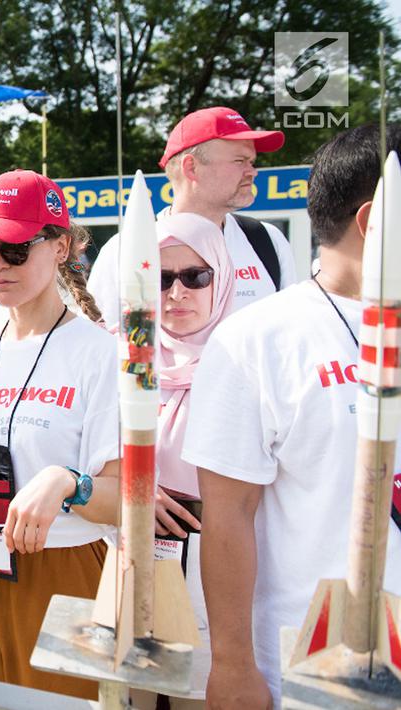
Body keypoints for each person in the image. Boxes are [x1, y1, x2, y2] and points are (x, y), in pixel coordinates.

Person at [184, 123, 401, 709]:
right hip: (318, 666)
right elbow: (228, 513)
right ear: (374, 221)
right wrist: (232, 665)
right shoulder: (258, 340)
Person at [0, 169, 120, 699]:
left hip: (61, 570)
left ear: (60, 246)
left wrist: (69, 481)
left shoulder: (100, 355)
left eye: (15, 248)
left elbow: (123, 501)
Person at [132, 212, 235, 710]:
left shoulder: (247, 361)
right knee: (135, 691)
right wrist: (132, 485)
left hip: (220, 576)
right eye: (162, 278)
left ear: (223, 275)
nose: (177, 294)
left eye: (196, 277)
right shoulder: (122, 356)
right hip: (132, 563)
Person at [89, 106, 296, 318]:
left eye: (251, 162)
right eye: (239, 161)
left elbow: (290, 333)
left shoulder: (267, 240)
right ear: (192, 168)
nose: (252, 172)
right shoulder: (125, 250)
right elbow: (99, 343)